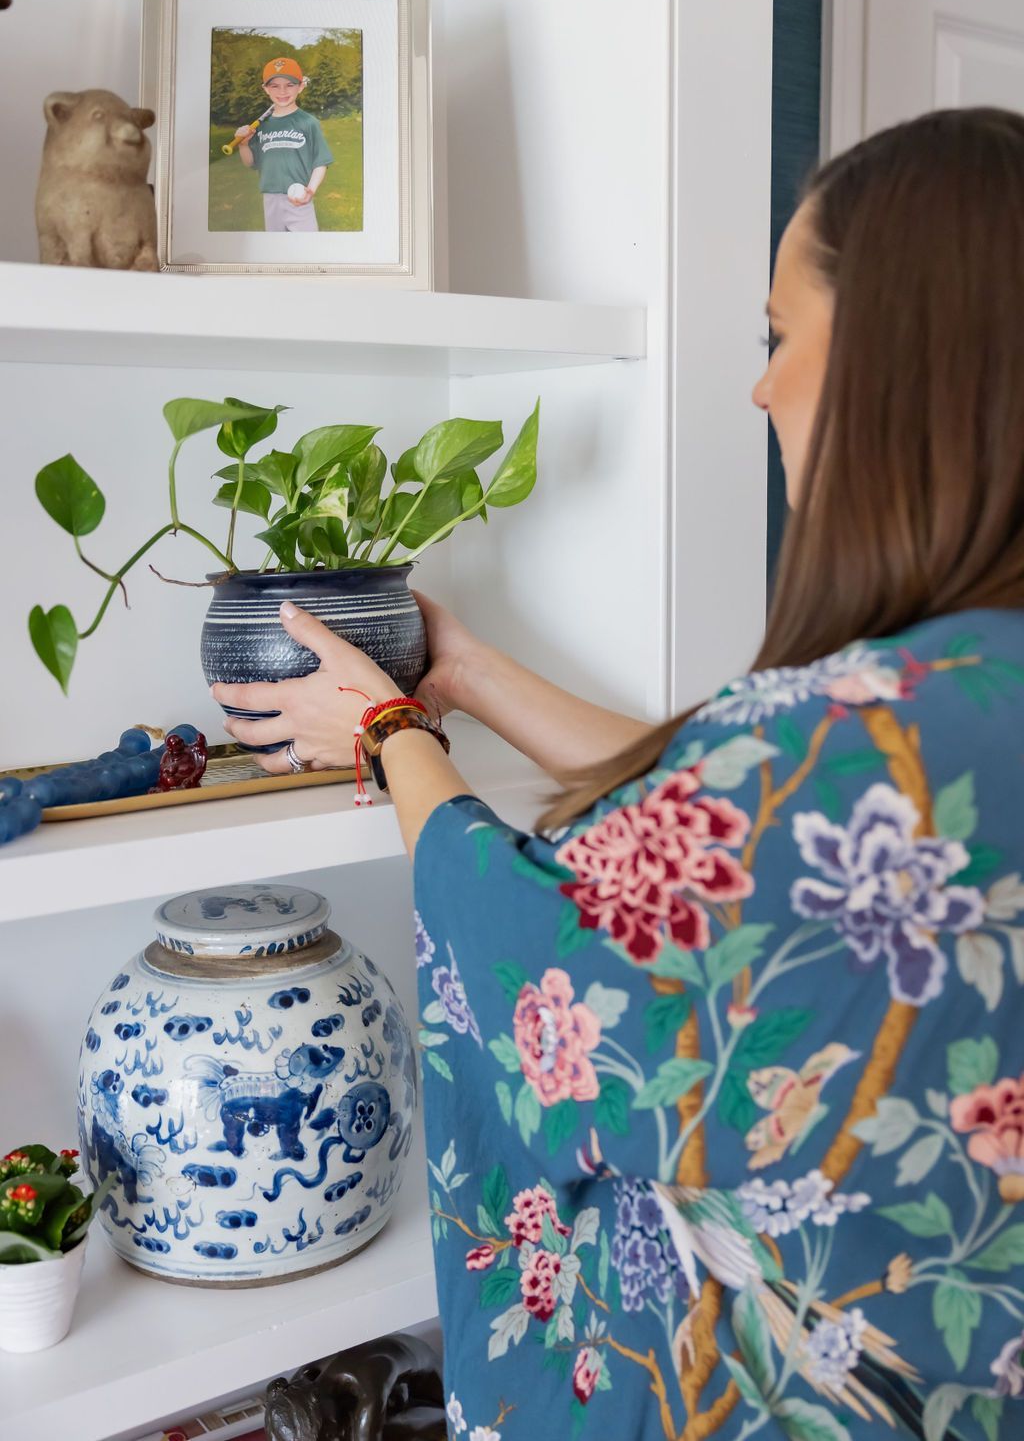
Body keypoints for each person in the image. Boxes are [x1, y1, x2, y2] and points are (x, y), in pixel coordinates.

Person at [212, 107, 1024, 1440]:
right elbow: (707, 854)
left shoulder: (846, 737)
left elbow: (560, 966)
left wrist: (385, 737)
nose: (761, 387)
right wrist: (460, 672)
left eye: (777, 334)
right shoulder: (928, 710)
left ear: (895, 352)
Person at [233, 56, 333, 233]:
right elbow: (251, 163)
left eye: (289, 85)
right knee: (276, 249)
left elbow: (321, 162)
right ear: (265, 89)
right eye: (275, 86)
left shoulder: (308, 122)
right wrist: (243, 145)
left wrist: (311, 190)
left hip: (299, 197)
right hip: (270, 198)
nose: (282, 91)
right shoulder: (262, 126)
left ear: (300, 86)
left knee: (307, 249)